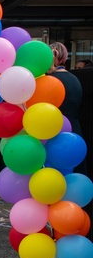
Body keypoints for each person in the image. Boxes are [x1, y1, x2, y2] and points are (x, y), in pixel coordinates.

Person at [47, 42, 85, 177]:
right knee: (73, 169)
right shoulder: (74, 78)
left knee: (55, 171)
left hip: (55, 130)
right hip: (74, 128)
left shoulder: (49, 80)